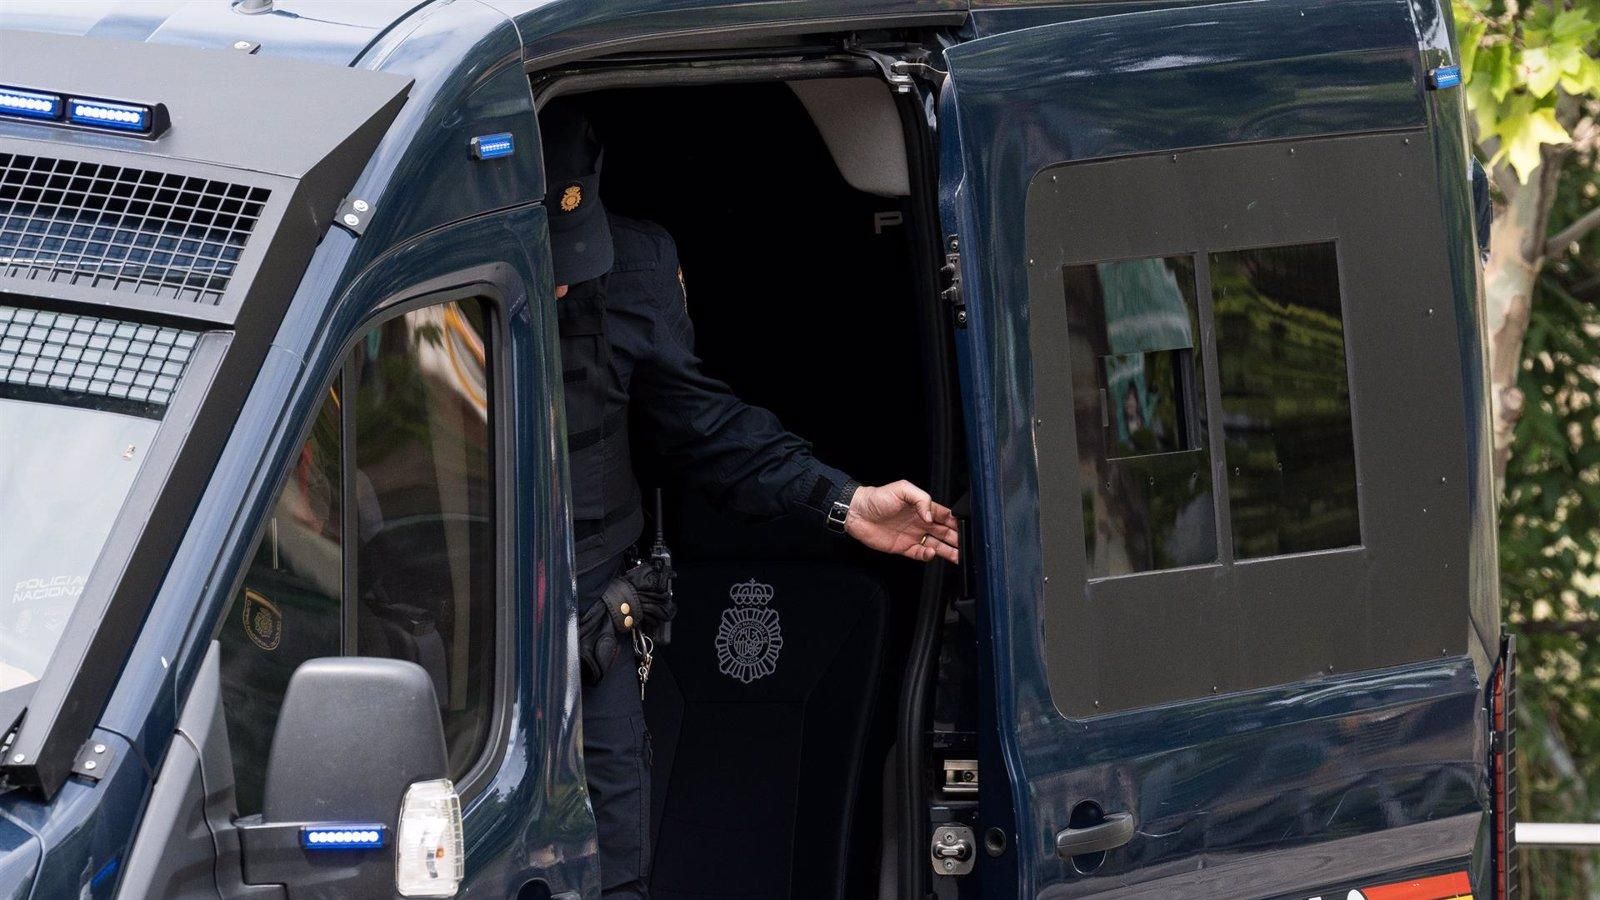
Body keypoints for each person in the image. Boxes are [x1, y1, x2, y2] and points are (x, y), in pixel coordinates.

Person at [540, 100, 959, 899]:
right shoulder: (420, 271)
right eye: (546, 258)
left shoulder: (630, 269)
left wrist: (845, 503)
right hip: (463, 634)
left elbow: (705, 430)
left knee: (616, 869)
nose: (564, 278)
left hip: (594, 625)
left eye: (576, 255)